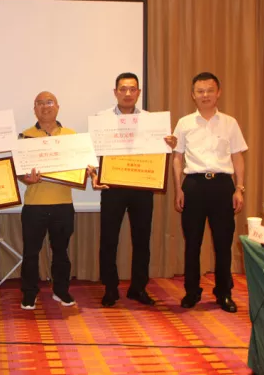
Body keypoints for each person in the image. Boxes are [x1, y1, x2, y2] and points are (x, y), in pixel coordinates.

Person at [89, 72, 177, 308]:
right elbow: (91, 151)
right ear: (115, 92)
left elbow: (160, 153)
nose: (127, 93)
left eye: (132, 89)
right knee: (109, 239)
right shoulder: (102, 119)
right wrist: (94, 174)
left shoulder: (151, 122)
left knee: (142, 239)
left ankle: (138, 287)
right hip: (112, 186)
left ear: (138, 92)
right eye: (123, 89)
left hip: (142, 186)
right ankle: (110, 288)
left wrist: (169, 145)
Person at [172, 72, 247, 313]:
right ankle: (191, 291)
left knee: (223, 243)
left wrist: (239, 189)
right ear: (193, 95)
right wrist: (178, 189)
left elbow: (237, 157)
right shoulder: (184, 123)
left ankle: (224, 293)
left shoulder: (230, 123)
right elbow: (177, 158)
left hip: (222, 186)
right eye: (200, 91)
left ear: (218, 93)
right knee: (192, 243)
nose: (205, 95)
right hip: (193, 186)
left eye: (210, 90)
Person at [18, 91, 78, 310]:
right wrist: (25, 178)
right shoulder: (25, 137)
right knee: (31, 253)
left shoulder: (71, 136)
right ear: (34, 109)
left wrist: (86, 169)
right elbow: (19, 170)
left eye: (49, 102)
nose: (45, 107)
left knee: (61, 252)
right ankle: (29, 293)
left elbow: (80, 164)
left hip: (63, 204)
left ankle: (61, 290)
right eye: (40, 103)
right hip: (34, 205)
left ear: (58, 107)